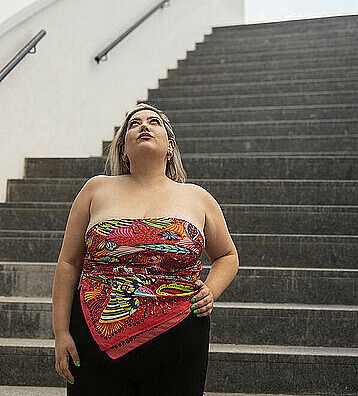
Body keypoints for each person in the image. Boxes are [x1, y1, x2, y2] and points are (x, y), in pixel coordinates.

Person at [52, 102, 240, 395]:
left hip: (178, 334)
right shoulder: (95, 189)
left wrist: (211, 290)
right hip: (94, 335)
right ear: (123, 150)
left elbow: (228, 255)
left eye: (154, 122)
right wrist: (61, 332)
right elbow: (68, 263)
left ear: (170, 147)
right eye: (133, 123)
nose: (143, 125)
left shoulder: (198, 198)